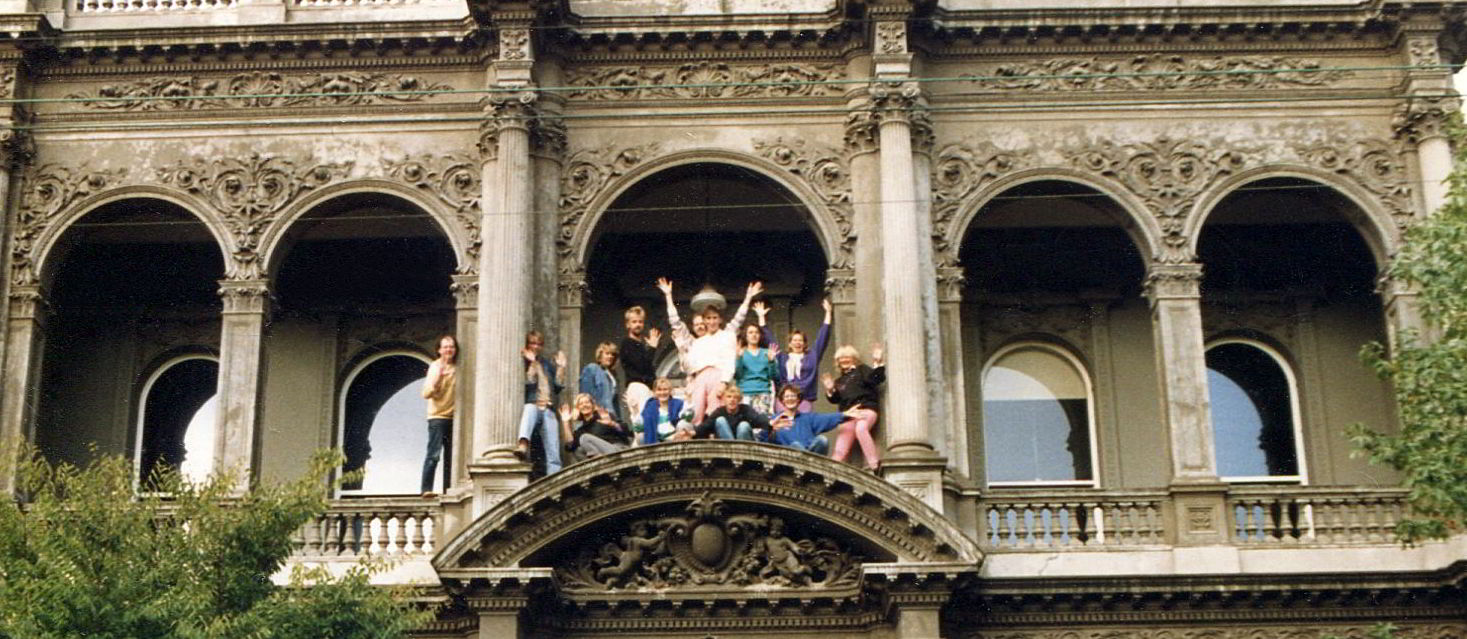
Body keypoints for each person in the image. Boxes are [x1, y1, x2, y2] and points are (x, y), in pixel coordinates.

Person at [659, 277, 763, 425]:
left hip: (717, 376)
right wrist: (669, 297)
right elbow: (676, 324)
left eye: (715, 318)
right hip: (700, 377)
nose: (712, 321)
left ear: (720, 319)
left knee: (716, 414)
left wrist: (724, 381)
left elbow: (738, 320)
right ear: (705, 320)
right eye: (708, 318)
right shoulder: (698, 342)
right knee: (696, 414)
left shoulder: (727, 335)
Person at [753, 298, 832, 413]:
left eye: (800, 340)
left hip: (804, 399)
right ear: (790, 343)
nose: (797, 342)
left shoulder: (812, 357)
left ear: (805, 343)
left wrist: (828, 313)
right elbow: (769, 338)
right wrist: (761, 317)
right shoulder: (782, 357)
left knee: (803, 426)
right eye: (794, 340)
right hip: (784, 399)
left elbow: (822, 338)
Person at [821, 344, 885, 472]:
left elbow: (875, 379)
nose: (844, 360)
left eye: (847, 357)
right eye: (841, 358)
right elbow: (835, 399)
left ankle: (875, 466)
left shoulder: (861, 370)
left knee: (861, 429)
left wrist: (878, 362)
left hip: (865, 409)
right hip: (849, 415)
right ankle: (830, 474)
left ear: (854, 359)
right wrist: (830, 390)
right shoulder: (839, 381)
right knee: (840, 448)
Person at [514, 330, 568, 475]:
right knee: (529, 409)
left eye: (539, 344)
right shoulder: (522, 361)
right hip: (534, 403)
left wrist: (561, 367)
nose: (536, 346)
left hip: (548, 407)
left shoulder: (546, 363)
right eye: (533, 343)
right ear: (527, 344)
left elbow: (557, 387)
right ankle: (523, 444)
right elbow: (529, 383)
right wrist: (531, 363)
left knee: (553, 447)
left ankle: (554, 476)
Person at [419, 334, 457, 499]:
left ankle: (448, 489)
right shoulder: (435, 367)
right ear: (439, 350)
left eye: (451, 346)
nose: (449, 349)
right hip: (437, 416)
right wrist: (438, 380)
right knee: (434, 454)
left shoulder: (458, 367)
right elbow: (426, 393)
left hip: (454, 416)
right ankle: (425, 488)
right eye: (445, 347)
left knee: (452, 456)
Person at [618, 306, 666, 425]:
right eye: (634, 322)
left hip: (646, 389)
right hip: (638, 387)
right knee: (643, 425)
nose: (638, 324)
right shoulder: (627, 343)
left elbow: (648, 369)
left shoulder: (640, 345)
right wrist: (652, 348)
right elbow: (641, 365)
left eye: (640, 321)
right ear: (628, 325)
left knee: (649, 424)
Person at [769, 384, 847, 456]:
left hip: (810, 454)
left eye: (793, 396)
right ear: (782, 400)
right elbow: (764, 436)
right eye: (787, 396)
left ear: (798, 400)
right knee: (795, 445)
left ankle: (810, 463)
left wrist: (845, 414)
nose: (790, 398)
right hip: (789, 457)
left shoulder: (808, 418)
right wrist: (771, 428)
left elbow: (827, 418)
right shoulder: (776, 419)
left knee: (822, 440)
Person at [559, 393, 631, 460]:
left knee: (585, 438)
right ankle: (599, 467)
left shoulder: (604, 416)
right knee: (577, 450)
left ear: (592, 405)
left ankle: (598, 461)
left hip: (617, 449)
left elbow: (627, 431)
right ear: (578, 409)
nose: (584, 405)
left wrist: (612, 424)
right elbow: (570, 446)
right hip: (604, 455)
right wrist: (565, 423)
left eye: (587, 402)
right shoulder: (581, 430)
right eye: (581, 404)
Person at [696, 384, 772, 441]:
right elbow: (706, 426)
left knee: (743, 425)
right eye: (729, 397)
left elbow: (758, 419)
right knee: (720, 421)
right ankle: (732, 451)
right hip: (727, 449)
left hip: (744, 447)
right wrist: (692, 432)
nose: (732, 400)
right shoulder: (719, 412)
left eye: (735, 397)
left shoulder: (745, 409)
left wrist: (771, 423)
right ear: (724, 400)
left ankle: (740, 454)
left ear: (739, 400)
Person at [734, 322, 777, 415]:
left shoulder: (767, 352)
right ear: (745, 336)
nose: (754, 335)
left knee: (761, 425)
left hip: (763, 393)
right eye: (750, 332)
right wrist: (739, 359)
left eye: (756, 332)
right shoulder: (741, 352)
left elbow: (774, 376)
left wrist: (771, 361)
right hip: (745, 393)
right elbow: (738, 376)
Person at [639, 377, 692, 444]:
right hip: (657, 440)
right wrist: (634, 410)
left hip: (676, 439)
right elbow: (640, 424)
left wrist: (689, 400)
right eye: (659, 390)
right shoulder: (650, 406)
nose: (662, 393)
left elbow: (687, 417)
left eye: (665, 389)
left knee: (683, 424)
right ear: (655, 392)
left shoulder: (678, 403)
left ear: (670, 391)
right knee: (640, 436)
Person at [579, 341, 622, 422]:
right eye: (607, 353)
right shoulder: (592, 368)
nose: (610, 356)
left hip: (611, 416)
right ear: (600, 355)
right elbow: (586, 394)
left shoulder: (613, 375)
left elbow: (614, 401)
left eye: (613, 354)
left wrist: (618, 420)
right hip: (597, 417)